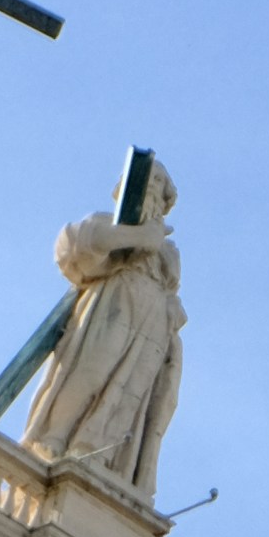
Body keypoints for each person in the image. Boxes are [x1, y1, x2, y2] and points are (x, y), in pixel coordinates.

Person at [20, 168, 184, 499]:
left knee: (131, 390)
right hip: (114, 298)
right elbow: (74, 250)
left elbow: (170, 290)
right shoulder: (104, 223)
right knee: (89, 371)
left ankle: (96, 452)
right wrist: (139, 237)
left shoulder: (170, 252)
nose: (151, 188)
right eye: (147, 180)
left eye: (158, 184)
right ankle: (53, 439)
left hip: (153, 318)